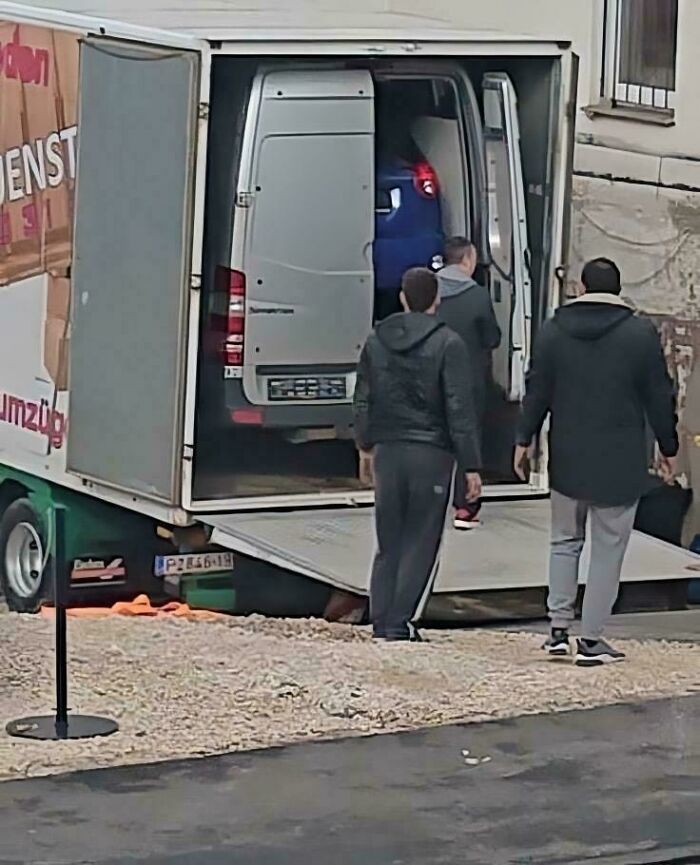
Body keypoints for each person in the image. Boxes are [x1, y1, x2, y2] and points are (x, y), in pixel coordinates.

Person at [514, 257, 678, 666]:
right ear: (618, 290)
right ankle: (591, 640)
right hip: (620, 462)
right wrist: (668, 447)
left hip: (568, 457)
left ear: (581, 287)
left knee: (564, 542)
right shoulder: (639, 334)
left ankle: (556, 629)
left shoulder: (553, 331)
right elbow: (659, 396)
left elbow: (537, 391)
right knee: (607, 550)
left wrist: (523, 439)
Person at [354, 267, 482, 641]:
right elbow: (459, 408)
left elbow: (363, 400)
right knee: (422, 538)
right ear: (437, 300)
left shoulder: (376, 341)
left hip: (388, 450)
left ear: (402, 297)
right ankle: (400, 620)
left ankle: (380, 617)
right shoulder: (449, 344)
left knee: (388, 537)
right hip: (432, 453)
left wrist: (364, 446)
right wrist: (471, 465)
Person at [436, 237, 501, 529]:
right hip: (468, 378)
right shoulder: (477, 296)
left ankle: (434, 499)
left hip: (430, 375)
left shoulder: (427, 290)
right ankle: (465, 505)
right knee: (467, 436)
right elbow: (492, 337)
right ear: (466, 260)